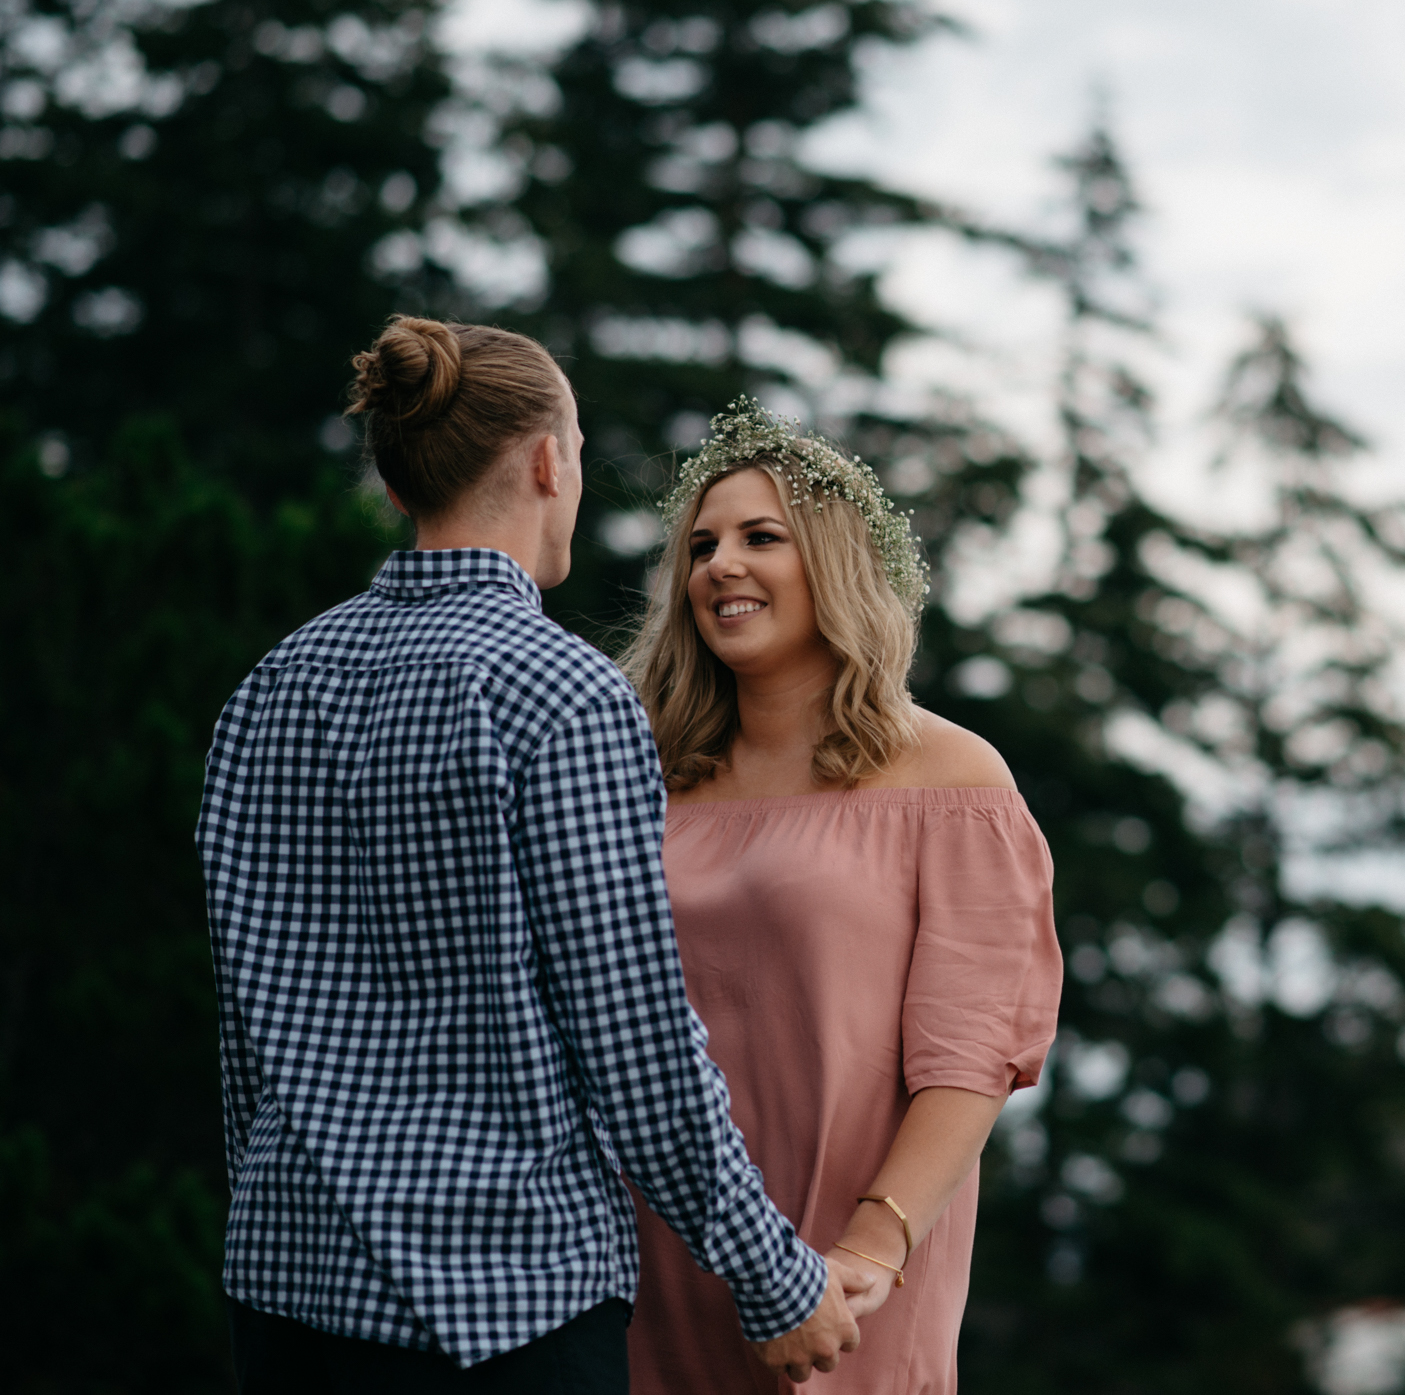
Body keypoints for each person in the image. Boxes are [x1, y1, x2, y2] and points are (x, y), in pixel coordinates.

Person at [196, 319, 873, 1391]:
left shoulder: (271, 688)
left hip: (286, 1294)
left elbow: (246, 1032)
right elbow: (635, 1038)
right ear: (548, 460)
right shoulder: (560, 693)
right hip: (501, 1310)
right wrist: (772, 1275)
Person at [618, 398, 1064, 1394]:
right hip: (646, 1262)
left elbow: (972, 1052)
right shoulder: (639, 774)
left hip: (853, 1272)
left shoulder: (951, 778)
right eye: (700, 547)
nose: (719, 566)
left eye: (759, 538)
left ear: (835, 564)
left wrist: (871, 1248)